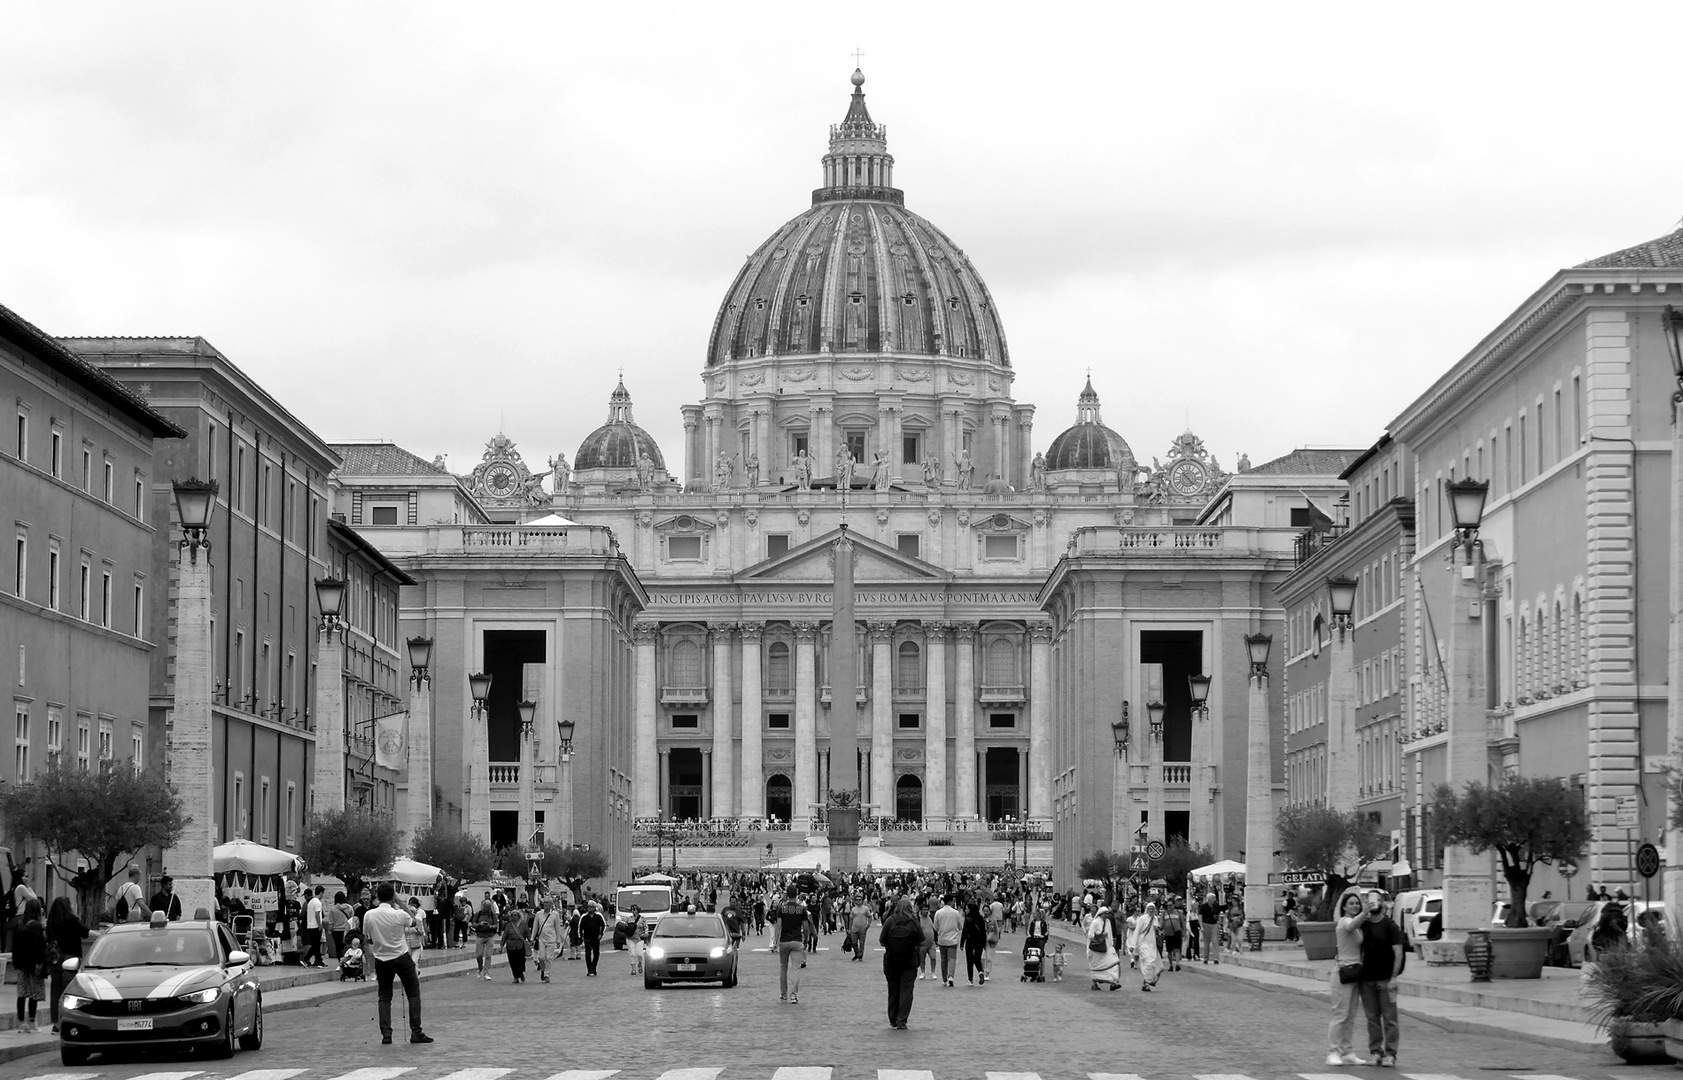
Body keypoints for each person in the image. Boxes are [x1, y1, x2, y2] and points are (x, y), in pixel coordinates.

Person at [363, 883, 432, 1044]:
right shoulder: (400, 914)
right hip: (401, 957)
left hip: (381, 959)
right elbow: (414, 922)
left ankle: (386, 1034)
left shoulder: (370, 915)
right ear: (393, 896)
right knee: (413, 994)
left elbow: (368, 938)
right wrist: (401, 904)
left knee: (384, 997)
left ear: (377, 896)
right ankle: (416, 1031)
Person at [1358, 890, 1404, 1068]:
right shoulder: (1364, 925)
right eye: (1369, 900)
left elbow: (1398, 954)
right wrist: (1362, 913)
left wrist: (1394, 977)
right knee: (1372, 1018)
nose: (1373, 903)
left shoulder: (1391, 926)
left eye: (1377, 900)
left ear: (1384, 904)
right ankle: (1376, 1052)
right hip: (1366, 980)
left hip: (1386, 979)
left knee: (1390, 1018)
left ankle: (1391, 1053)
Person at [1327, 887, 1371, 1066]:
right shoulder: (1344, 922)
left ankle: (1347, 1051)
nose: (1354, 906)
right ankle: (1332, 1052)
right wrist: (1364, 913)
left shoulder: (1356, 925)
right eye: (1351, 903)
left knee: (1351, 1015)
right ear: (1344, 907)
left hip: (1355, 971)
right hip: (1343, 972)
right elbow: (1351, 926)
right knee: (1340, 1014)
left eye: (1357, 904)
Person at [879, 896, 926, 1030]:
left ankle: (893, 1019)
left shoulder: (889, 921)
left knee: (893, 988)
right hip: (909, 960)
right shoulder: (913, 922)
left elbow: (882, 941)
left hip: (891, 960)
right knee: (906, 990)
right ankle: (902, 1020)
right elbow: (922, 940)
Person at [44, 896, 84, 1033]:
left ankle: (56, 1023)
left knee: (55, 992)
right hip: (70, 959)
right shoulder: (72, 920)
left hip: (54, 960)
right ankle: (68, 1020)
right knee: (68, 993)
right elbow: (84, 931)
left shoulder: (51, 922)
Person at [773, 884, 813, 1004]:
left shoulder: (781, 908)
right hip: (796, 940)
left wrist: (775, 941)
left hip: (784, 940)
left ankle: (783, 993)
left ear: (787, 894)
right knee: (795, 968)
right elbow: (806, 927)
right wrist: (806, 940)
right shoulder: (802, 909)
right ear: (796, 894)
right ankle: (793, 995)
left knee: (783, 967)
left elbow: (778, 925)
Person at [11, 897, 44, 1033]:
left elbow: (14, 945)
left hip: (20, 964)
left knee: (22, 993)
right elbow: (39, 947)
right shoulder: (37, 926)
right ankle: (32, 1022)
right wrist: (40, 963)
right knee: (33, 993)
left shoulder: (20, 924)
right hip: (33, 964)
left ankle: (20, 1022)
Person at [1085, 904, 1122, 990]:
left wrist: (1112, 944)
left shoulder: (1108, 922)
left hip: (1108, 948)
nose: (1107, 915)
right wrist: (1101, 935)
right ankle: (1094, 983)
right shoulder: (1095, 922)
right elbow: (1090, 935)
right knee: (1097, 966)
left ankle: (1114, 982)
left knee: (1114, 963)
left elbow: (1110, 934)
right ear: (1101, 914)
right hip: (1097, 949)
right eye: (1105, 914)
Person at [933, 894, 962, 987]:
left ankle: (944, 978)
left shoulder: (938, 913)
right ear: (950, 901)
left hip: (942, 938)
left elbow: (935, 926)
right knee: (952, 958)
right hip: (953, 939)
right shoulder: (956, 913)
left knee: (943, 959)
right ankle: (951, 976)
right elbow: (960, 926)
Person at [532, 897, 563, 982]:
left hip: (551, 938)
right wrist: (532, 938)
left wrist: (558, 940)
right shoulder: (538, 914)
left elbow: (557, 928)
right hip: (541, 938)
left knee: (549, 958)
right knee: (541, 957)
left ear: (551, 904)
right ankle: (543, 969)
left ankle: (546, 974)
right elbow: (535, 927)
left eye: (547, 903)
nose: (545, 904)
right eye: (544, 903)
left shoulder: (555, 914)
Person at [1137, 901, 1166, 991]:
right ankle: (1147, 981)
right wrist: (1133, 945)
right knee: (1148, 963)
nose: (1151, 910)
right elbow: (1137, 931)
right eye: (1150, 908)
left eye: (1153, 909)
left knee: (1153, 964)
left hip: (1152, 944)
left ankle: (1146, 983)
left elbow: (1156, 929)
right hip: (1143, 943)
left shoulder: (1155, 919)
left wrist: (1158, 931)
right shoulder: (1142, 919)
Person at [960, 901, 989, 985]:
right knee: (977, 958)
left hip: (970, 941)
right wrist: (984, 943)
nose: (965, 910)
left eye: (966, 909)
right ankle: (980, 971)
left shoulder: (968, 919)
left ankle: (970, 980)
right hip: (979, 941)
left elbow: (964, 932)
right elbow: (983, 932)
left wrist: (962, 943)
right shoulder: (980, 918)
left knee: (969, 961)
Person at [471, 897, 500, 980]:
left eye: (488, 906)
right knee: (479, 954)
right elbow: (473, 924)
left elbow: (496, 926)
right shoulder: (478, 914)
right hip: (480, 935)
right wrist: (480, 924)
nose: (487, 908)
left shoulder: (492, 915)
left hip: (490, 936)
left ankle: (486, 972)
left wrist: (490, 926)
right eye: (485, 906)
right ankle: (480, 968)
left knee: (488, 955)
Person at [502, 904, 530, 983]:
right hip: (511, 945)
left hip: (520, 945)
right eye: (512, 915)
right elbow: (504, 935)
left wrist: (530, 940)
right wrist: (501, 945)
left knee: (521, 961)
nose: (513, 917)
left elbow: (527, 933)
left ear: (518, 916)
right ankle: (515, 977)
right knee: (512, 962)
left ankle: (520, 973)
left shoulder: (523, 924)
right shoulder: (509, 925)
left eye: (515, 915)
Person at [578, 899, 606, 976]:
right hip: (587, 938)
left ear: (594, 908)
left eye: (591, 907)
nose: (589, 908)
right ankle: (589, 970)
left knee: (596, 954)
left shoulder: (598, 916)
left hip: (596, 938)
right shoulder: (584, 917)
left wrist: (601, 934)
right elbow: (580, 927)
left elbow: (603, 925)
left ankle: (594, 967)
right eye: (588, 907)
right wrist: (580, 937)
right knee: (587, 954)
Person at [302, 885, 326, 968]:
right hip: (315, 926)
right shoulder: (318, 902)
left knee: (315, 945)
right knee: (316, 945)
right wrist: (320, 926)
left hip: (310, 926)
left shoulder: (311, 902)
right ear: (321, 893)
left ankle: (318, 961)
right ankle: (306, 958)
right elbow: (317, 914)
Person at [848, 894, 873, 961]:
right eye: (857, 900)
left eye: (860, 900)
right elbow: (851, 919)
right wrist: (849, 929)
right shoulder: (853, 909)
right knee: (853, 942)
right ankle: (857, 953)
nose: (858, 901)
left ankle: (860, 955)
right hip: (854, 928)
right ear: (855, 901)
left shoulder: (865, 909)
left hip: (863, 928)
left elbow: (870, 917)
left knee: (862, 942)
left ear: (862, 901)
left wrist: (868, 925)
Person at [1198, 891, 1220, 964]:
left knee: (1215, 941)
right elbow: (1200, 916)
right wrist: (1201, 926)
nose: (1214, 900)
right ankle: (1206, 958)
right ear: (1209, 899)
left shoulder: (1216, 906)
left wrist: (1219, 922)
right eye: (1213, 898)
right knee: (1206, 942)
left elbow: (1218, 914)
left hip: (1214, 924)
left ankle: (1216, 958)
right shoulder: (1203, 906)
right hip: (1206, 924)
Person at [625, 904, 646, 974]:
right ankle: (633, 969)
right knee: (632, 954)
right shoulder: (629, 919)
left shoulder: (642, 919)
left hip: (639, 938)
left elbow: (646, 927)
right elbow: (625, 927)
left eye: (634, 909)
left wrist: (645, 934)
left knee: (639, 954)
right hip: (631, 938)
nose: (633, 911)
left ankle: (640, 963)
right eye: (632, 909)